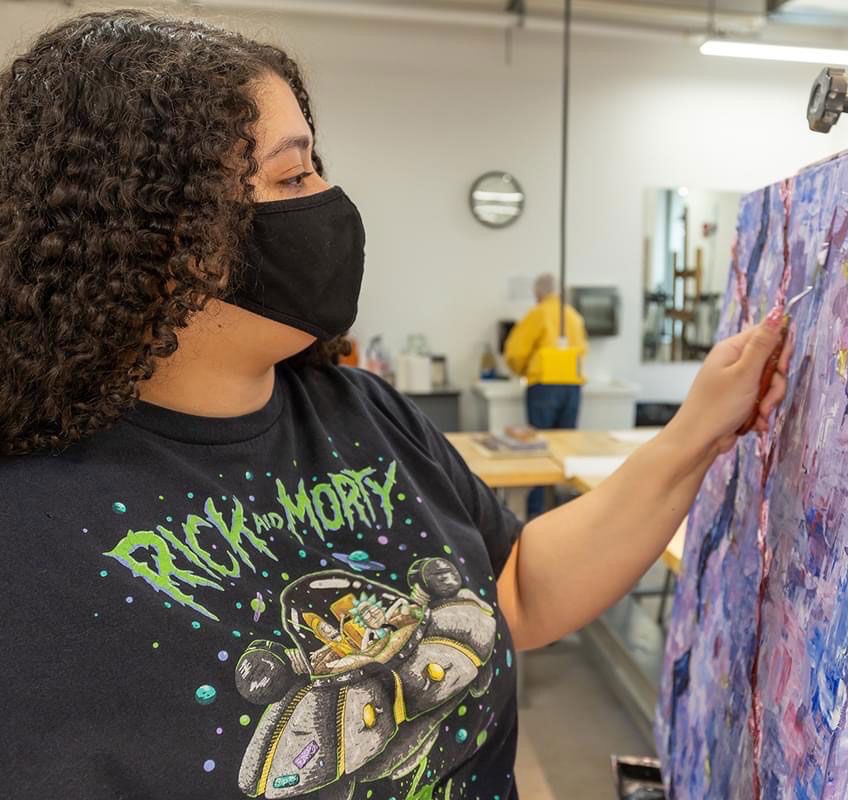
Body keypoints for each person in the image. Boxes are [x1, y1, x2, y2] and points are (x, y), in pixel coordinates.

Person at [0, 11, 789, 800]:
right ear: (158, 235)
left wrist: (698, 430)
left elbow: (517, 592)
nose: (327, 199)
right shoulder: (29, 519)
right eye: (292, 175)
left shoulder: (365, 413)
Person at [504, 273, 588, 518]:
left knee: (539, 451)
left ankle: (536, 514)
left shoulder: (538, 314)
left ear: (537, 293)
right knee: (565, 449)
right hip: (572, 387)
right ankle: (566, 512)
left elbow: (515, 351)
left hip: (544, 387)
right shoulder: (573, 316)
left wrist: (520, 371)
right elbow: (583, 350)